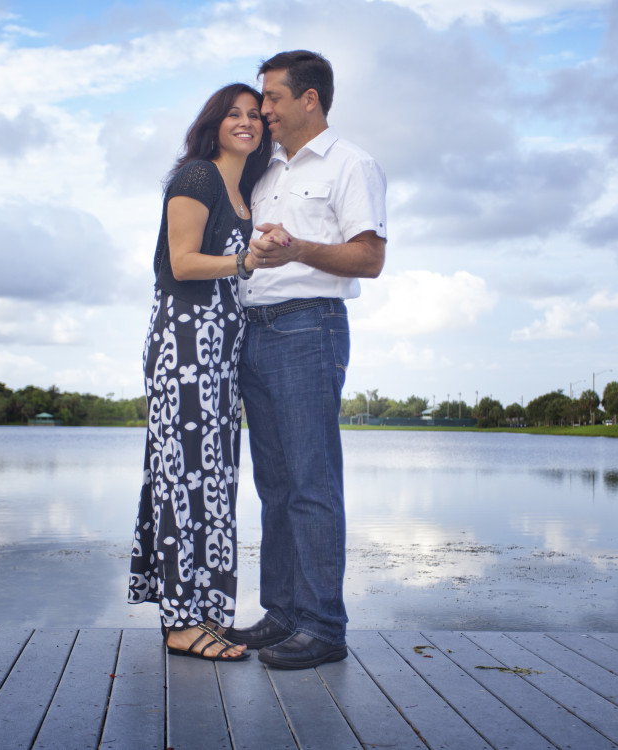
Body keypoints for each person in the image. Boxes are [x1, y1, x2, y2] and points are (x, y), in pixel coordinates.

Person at [228, 51, 387, 670]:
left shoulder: (353, 164)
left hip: (307, 329)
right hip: (255, 332)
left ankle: (324, 627)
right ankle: (284, 614)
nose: (262, 109)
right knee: (276, 485)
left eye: (271, 97)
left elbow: (368, 259)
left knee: (312, 485)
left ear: (309, 99)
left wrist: (297, 249)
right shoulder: (266, 170)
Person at [127, 84, 272, 661]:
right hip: (185, 341)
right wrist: (245, 260)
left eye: (256, 115)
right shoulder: (196, 177)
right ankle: (180, 623)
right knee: (182, 479)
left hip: (221, 350)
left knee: (214, 481)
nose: (247, 122)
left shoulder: (245, 189)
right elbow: (183, 263)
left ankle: (208, 615)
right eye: (233, 114)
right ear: (213, 124)